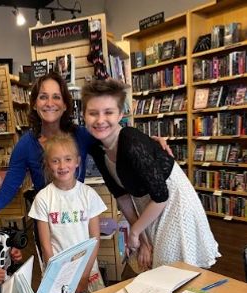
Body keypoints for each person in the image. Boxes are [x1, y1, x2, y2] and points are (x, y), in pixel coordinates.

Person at [0, 72, 171, 240]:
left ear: (65, 104)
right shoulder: (25, 146)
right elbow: (7, 190)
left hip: (79, 221)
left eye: (56, 97)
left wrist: (151, 142)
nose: (50, 103)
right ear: (35, 104)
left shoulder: (82, 136)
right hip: (48, 225)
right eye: (43, 97)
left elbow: (115, 137)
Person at [81, 78, 220, 270]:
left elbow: (162, 196)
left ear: (121, 113)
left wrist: (135, 232)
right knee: (155, 265)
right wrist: (142, 238)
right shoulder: (97, 148)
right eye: (93, 113)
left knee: (175, 268)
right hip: (148, 203)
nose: (100, 120)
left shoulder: (130, 141)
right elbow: (121, 196)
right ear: (84, 115)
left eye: (109, 112)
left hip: (173, 201)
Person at [29, 133, 107, 293]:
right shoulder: (43, 198)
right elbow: (45, 245)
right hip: (58, 272)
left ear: (77, 161)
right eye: (55, 160)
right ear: (47, 164)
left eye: (68, 159)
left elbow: (95, 239)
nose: (62, 166)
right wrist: (57, 275)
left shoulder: (88, 194)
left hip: (88, 270)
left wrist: (84, 275)